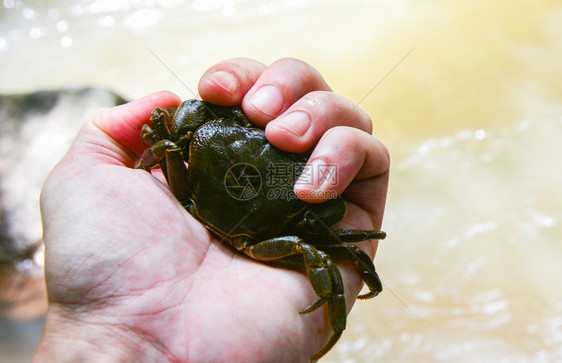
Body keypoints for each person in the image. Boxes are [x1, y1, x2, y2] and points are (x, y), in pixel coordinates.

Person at [34, 58, 389, 362]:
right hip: (260, 241)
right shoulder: (295, 182)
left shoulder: (199, 134)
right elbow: (327, 230)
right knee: (314, 250)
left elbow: (162, 137)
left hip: (202, 207)